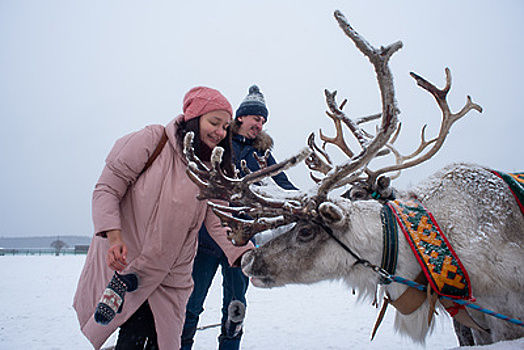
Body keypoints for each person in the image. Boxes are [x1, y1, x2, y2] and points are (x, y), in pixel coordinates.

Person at [73, 86, 253, 350]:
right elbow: (108, 188)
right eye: (214, 122)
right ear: (194, 118)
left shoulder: (211, 168)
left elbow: (218, 218)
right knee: (133, 338)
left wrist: (243, 253)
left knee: (166, 343)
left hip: (174, 275)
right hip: (133, 265)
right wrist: (114, 236)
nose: (220, 132)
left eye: (225, 126)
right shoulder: (153, 140)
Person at [181, 85, 297, 350]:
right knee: (191, 303)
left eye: (264, 120)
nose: (261, 123)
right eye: (257, 117)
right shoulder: (220, 144)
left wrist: (311, 200)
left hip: (244, 242)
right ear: (241, 117)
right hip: (207, 239)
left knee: (236, 307)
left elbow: (285, 187)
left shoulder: (264, 155)